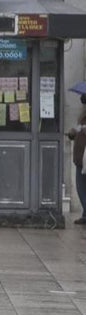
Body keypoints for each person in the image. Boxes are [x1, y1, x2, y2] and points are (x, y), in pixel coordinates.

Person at [68, 96, 86, 225]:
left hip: (84, 158)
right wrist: (73, 132)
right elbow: (77, 133)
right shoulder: (82, 117)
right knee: (81, 188)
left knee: (81, 188)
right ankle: (85, 215)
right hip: (80, 159)